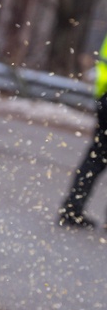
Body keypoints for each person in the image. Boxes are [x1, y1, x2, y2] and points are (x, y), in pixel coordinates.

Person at [59, 33, 107, 229]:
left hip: (105, 96)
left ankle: (72, 208)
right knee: (95, 157)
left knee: (95, 158)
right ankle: (72, 209)